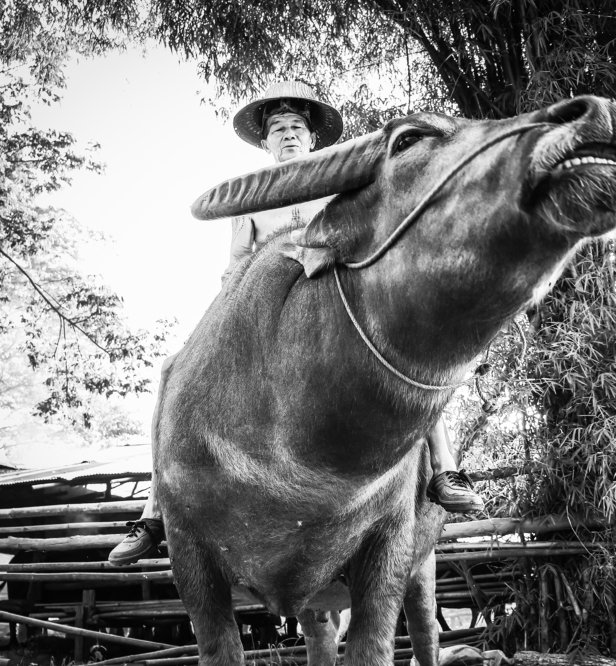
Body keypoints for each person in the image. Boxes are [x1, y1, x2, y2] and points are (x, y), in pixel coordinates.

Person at [108, 81, 483, 566]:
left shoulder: (339, 188)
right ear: (265, 143)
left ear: (313, 141)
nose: (288, 134)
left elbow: (363, 243)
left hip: (332, 301)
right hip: (258, 305)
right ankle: (154, 511)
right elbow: (234, 266)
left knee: (411, 352)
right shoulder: (248, 198)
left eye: (297, 128)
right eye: (278, 129)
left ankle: (446, 471)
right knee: (171, 370)